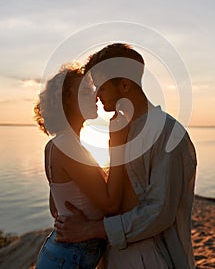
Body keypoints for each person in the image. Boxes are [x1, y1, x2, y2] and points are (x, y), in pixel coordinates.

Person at [55, 43, 197, 269]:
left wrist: (90, 229)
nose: (97, 95)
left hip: (153, 259)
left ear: (124, 85)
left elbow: (159, 212)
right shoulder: (119, 130)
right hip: (117, 257)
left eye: (101, 87)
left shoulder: (168, 133)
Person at [34, 64, 129, 269]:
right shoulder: (68, 146)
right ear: (67, 100)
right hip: (69, 258)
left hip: (61, 254)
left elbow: (55, 208)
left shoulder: (57, 144)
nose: (96, 96)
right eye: (86, 92)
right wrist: (118, 145)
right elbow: (111, 203)